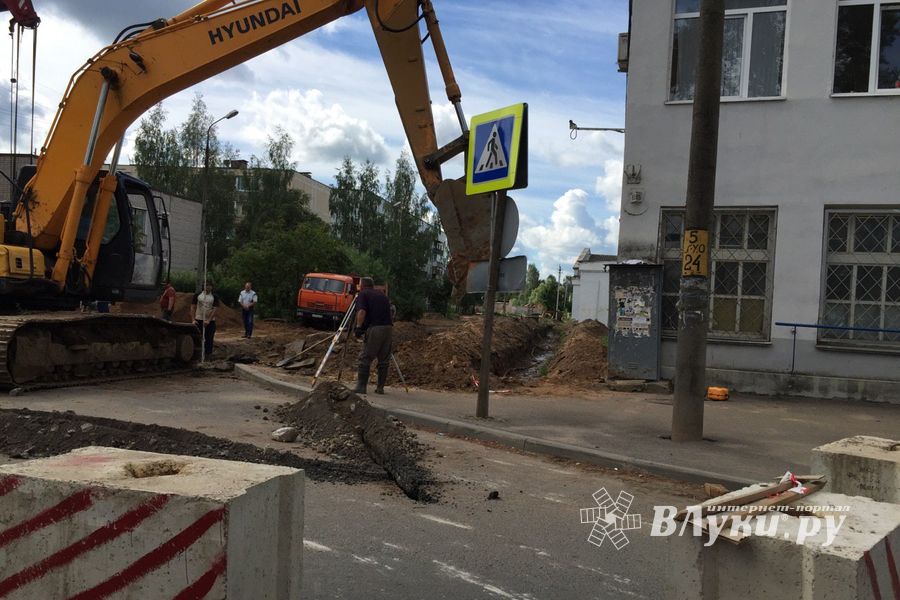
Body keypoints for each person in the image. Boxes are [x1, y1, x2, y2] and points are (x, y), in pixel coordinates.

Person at [353, 277, 393, 395]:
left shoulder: (363, 294)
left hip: (376, 328)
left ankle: (361, 387)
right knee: (384, 359)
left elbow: (361, 311)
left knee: (365, 357)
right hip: (388, 328)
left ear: (363, 285)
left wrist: (358, 327)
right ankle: (380, 388)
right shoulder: (382, 295)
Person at [191, 282, 220, 359]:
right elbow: (193, 307)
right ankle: (196, 355)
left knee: (209, 338)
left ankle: (208, 355)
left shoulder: (214, 296)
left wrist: (208, 320)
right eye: (206, 285)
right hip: (198, 320)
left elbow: (215, 309)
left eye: (209, 285)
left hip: (210, 321)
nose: (207, 287)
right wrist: (193, 319)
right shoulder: (198, 295)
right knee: (197, 338)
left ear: (212, 287)